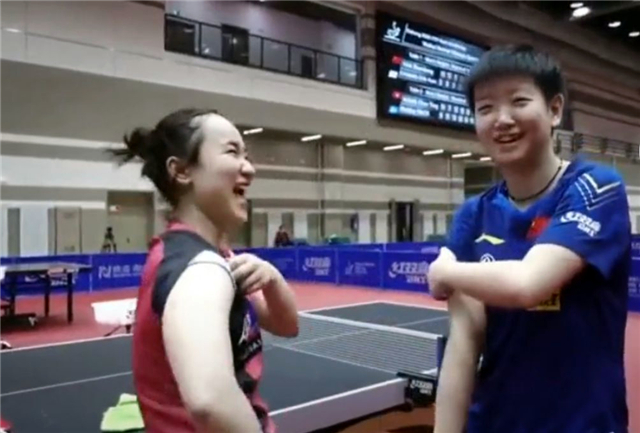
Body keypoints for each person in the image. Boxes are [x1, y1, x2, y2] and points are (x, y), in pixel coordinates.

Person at [428, 45, 630, 433]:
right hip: (494, 423)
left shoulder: (595, 188)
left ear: (554, 110)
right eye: (485, 108)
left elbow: (529, 284)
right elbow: (463, 346)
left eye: (518, 101)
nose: (502, 119)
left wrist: (444, 272)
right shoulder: (474, 214)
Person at [111, 108, 299, 433]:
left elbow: (286, 325)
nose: (249, 168)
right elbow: (210, 401)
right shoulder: (201, 270)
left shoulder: (213, 258)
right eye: (232, 152)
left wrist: (272, 278)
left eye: (246, 155)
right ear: (182, 171)